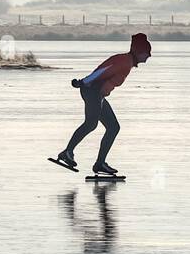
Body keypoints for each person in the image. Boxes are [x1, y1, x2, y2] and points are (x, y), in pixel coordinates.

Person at [54, 33, 151, 175]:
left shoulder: (127, 62)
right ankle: (67, 152)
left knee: (113, 127)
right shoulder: (123, 61)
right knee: (91, 124)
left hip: (97, 94)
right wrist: (84, 81)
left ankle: (100, 163)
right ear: (139, 52)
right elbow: (101, 71)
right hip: (91, 91)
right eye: (146, 53)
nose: (149, 56)